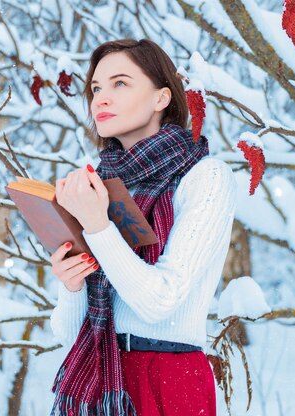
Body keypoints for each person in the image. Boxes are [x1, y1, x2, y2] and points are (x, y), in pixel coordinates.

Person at [48, 38, 238, 416]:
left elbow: (159, 302)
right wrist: (71, 285)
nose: (100, 98)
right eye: (96, 88)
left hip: (168, 377)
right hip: (103, 381)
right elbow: (71, 334)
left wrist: (99, 226)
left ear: (161, 97)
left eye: (120, 83)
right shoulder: (102, 184)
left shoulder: (206, 177)